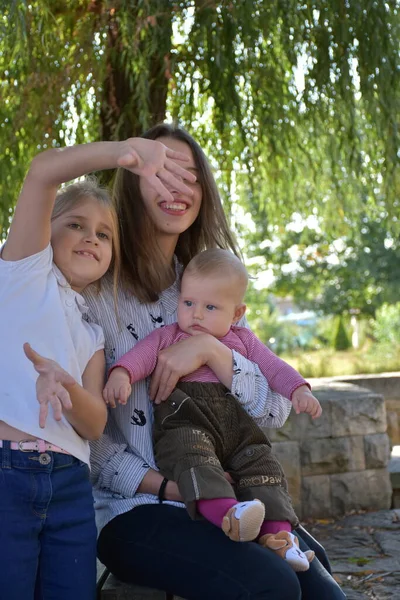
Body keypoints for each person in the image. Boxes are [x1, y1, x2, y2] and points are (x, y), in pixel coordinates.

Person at [84, 123, 346, 599]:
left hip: (231, 503)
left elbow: (274, 410)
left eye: (190, 175)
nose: (177, 187)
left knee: (322, 588)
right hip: (134, 508)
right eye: (162, 171)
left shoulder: (208, 285)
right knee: (272, 585)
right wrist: (175, 488)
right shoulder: (96, 291)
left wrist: (213, 352)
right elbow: (93, 446)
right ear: (132, 179)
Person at [0, 137, 194, 600]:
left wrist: (68, 389)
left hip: (69, 485)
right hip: (9, 474)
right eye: (76, 225)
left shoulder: (92, 331)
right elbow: (44, 168)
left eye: (104, 234)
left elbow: (95, 424)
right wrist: (123, 153)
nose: (91, 237)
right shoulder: (24, 275)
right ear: (44, 231)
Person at [104, 248, 321, 572]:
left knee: (264, 465)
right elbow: (142, 356)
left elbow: (274, 368)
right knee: (194, 460)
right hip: (185, 422)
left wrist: (299, 389)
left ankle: (280, 538)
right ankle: (227, 514)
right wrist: (122, 373)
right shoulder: (169, 336)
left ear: (236, 313)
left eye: (210, 307)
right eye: (188, 303)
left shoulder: (244, 341)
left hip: (237, 431)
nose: (196, 315)